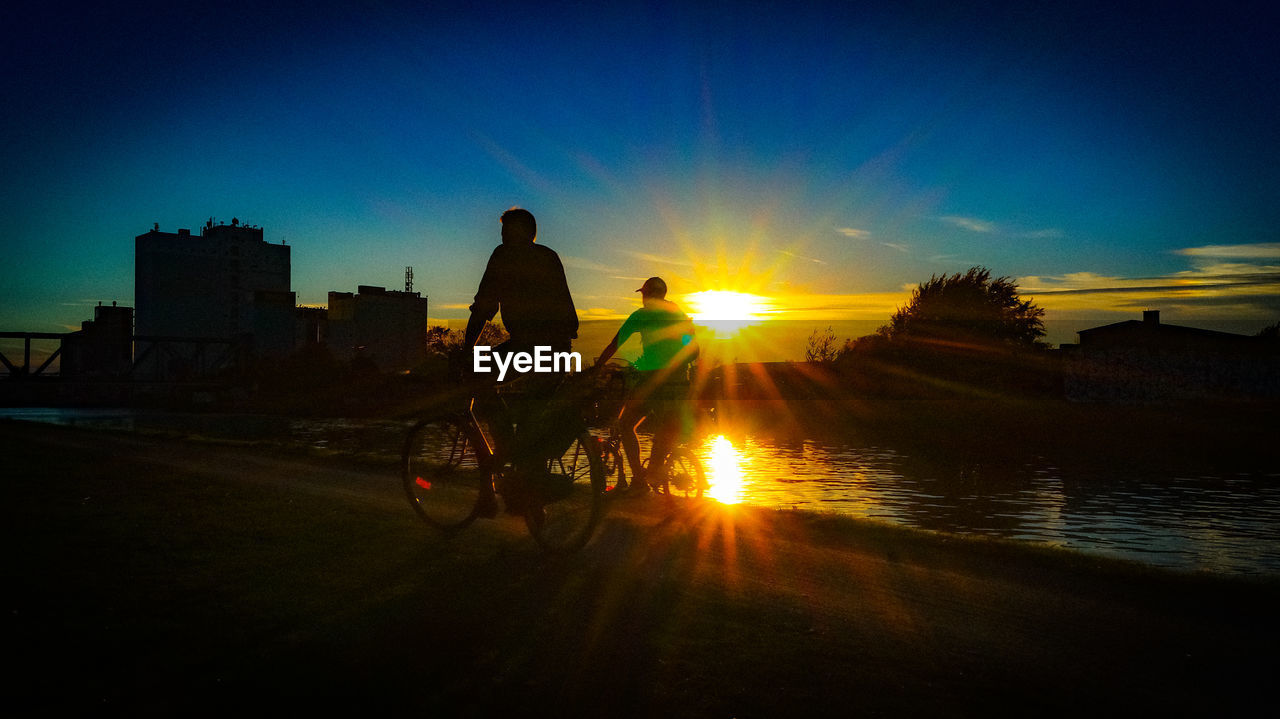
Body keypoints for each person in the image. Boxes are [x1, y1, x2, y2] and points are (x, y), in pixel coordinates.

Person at [461, 208, 580, 513]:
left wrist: (466, 348)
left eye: (504, 232)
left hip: (527, 347)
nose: (501, 237)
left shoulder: (504, 256)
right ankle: (529, 486)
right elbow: (568, 312)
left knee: (478, 376)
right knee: (534, 412)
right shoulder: (549, 256)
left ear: (517, 233)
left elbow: (483, 307)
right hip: (560, 348)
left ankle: (500, 460)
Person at [593, 276, 698, 492]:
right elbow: (691, 344)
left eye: (643, 294)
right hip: (680, 380)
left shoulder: (641, 316)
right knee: (667, 425)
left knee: (626, 424)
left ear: (646, 294)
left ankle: (640, 481)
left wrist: (597, 367)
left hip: (654, 381)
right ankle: (658, 468)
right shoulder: (678, 314)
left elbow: (616, 343)